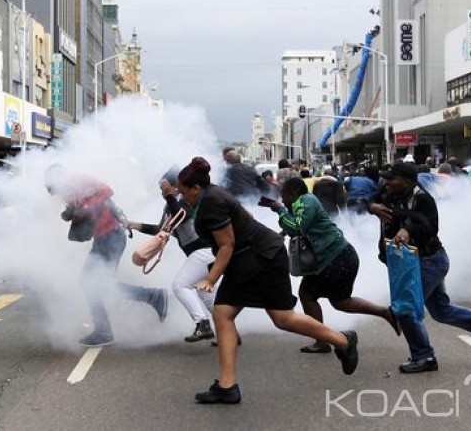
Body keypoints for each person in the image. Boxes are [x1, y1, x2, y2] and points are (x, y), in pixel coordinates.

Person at [176, 157, 358, 404]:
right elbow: (245, 215)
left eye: (183, 192)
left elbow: (226, 245)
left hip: (261, 258)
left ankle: (343, 341)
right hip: (251, 258)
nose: (181, 196)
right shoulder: (214, 194)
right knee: (225, 314)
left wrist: (210, 279)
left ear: (196, 188)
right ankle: (227, 386)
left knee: (280, 318)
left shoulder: (211, 202)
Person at [369, 162, 471, 373]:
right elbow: (369, 200)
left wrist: (408, 230)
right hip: (412, 262)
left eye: (392, 179)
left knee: (405, 308)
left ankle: (424, 357)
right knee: (441, 311)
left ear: (407, 182)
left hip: (428, 262)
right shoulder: (389, 191)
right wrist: (372, 207)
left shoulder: (423, 198)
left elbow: (430, 227)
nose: (387, 182)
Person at [45, 165, 168, 347]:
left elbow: (106, 191)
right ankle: (149, 298)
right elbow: (80, 207)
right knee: (95, 283)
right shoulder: (70, 190)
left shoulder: (78, 180)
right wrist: (70, 212)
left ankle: (107, 328)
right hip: (104, 237)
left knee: (94, 283)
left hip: (110, 236)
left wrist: (83, 209)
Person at [271, 178, 399, 353]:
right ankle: (385, 312)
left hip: (334, 258)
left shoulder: (304, 201)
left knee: (307, 295)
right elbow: (304, 224)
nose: (282, 199)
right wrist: (283, 229)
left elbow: (298, 228)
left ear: (292, 193)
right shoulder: (305, 201)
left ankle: (322, 340)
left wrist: (281, 211)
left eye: (283, 195)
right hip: (341, 256)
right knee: (341, 301)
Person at [127, 169, 218, 343]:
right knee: (206, 295)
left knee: (179, 286)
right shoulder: (172, 204)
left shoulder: (184, 200)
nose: (162, 191)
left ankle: (202, 324)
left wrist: (169, 196)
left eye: (165, 187)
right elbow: (162, 229)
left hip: (203, 251)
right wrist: (135, 225)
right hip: (204, 253)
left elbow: (180, 217)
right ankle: (230, 331)